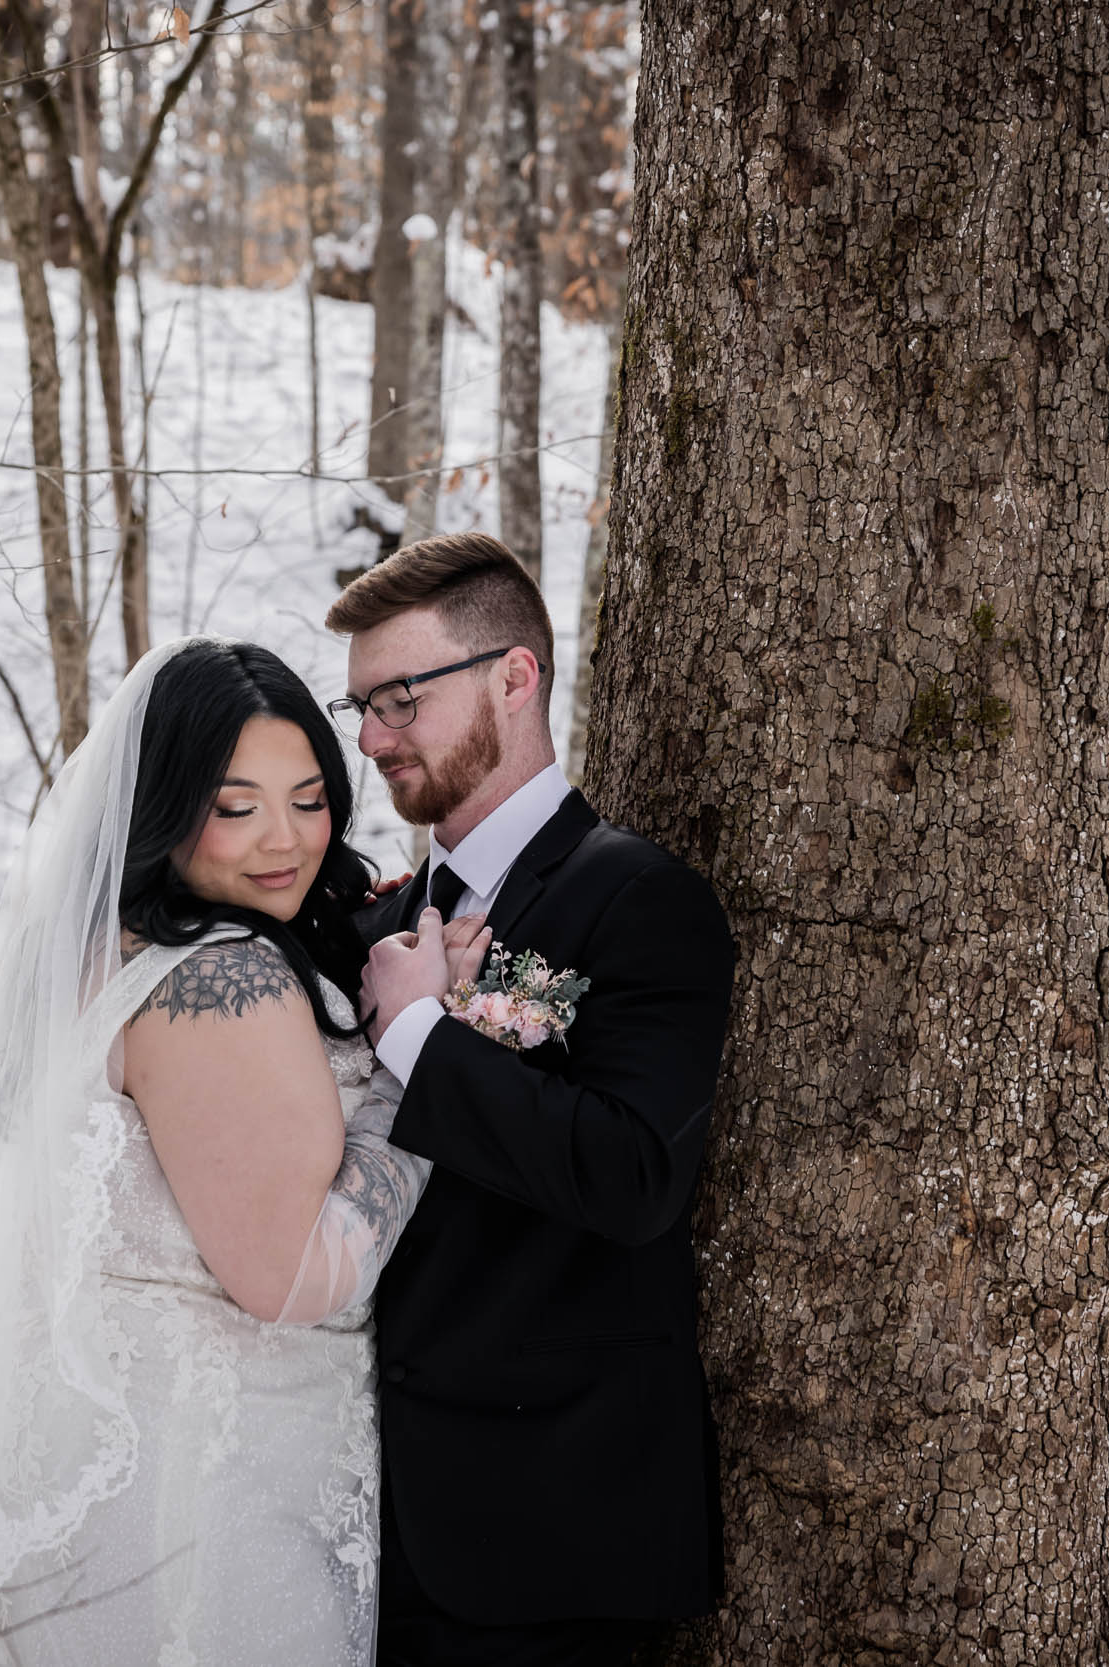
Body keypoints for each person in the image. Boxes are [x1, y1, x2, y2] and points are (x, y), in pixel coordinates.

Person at [0, 636, 488, 1664]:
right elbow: (295, 1274)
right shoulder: (227, 979)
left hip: (102, 1474)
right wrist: (417, 1059)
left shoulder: (107, 947)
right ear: (164, 803)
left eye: (307, 797)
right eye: (234, 803)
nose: (284, 839)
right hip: (209, 1506)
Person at [329, 532, 738, 1666]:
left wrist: (419, 1029)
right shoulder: (377, 923)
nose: (370, 737)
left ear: (514, 677)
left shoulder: (638, 897)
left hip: (555, 1531)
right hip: (367, 1534)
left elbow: (632, 1172)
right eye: (360, 704)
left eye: (401, 697)